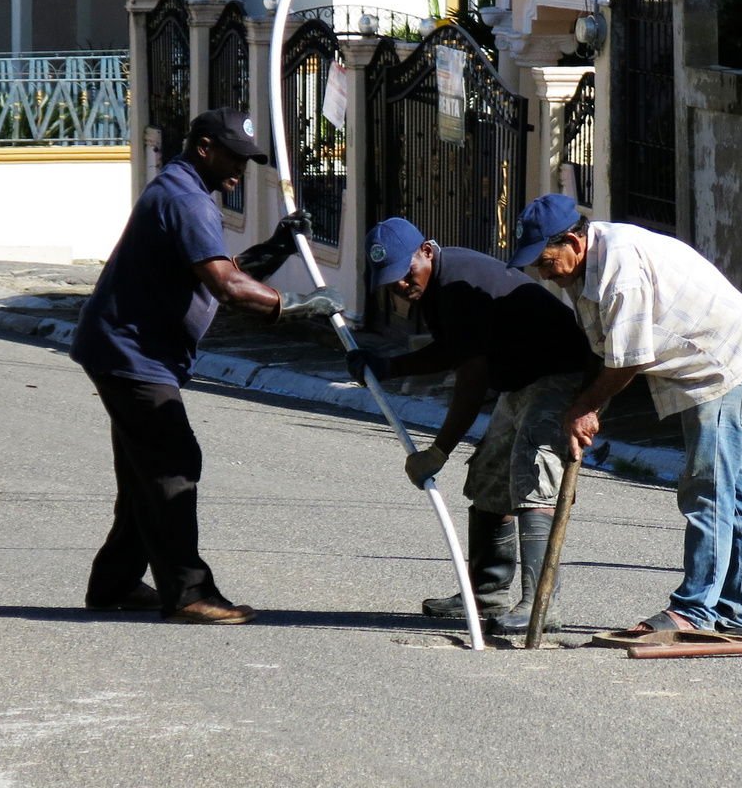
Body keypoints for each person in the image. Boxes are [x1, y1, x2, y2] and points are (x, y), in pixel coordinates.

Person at [72, 108, 343, 624]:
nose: (240, 168)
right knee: (173, 465)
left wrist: (278, 247)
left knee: (144, 472)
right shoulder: (185, 200)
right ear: (203, 148)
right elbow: (226, 286)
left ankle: (114, 584)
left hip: (128, 349)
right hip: (132, 354)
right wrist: (297, 306)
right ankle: (188, 593)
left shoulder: (181, 192)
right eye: (234, 156)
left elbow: (219, 272)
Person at [508, 194, 742, 636]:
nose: (543, 273)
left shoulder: (620, 270)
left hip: (725, 363)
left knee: (707, 487)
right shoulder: (583, 270)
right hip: (700, 367)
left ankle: (694, 610)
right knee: (732, 493)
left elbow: (628, 358)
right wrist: (584, 406)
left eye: (545, 261)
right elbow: (602, 348)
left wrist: (586, 407)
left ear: (574, 241)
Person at [347, 218, 596, 634]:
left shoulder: (458, 281)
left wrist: (439, 451)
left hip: (562, 374)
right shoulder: (436, 286)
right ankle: (485, 593)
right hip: (520, 380)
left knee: (532, 474)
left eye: (407, 273)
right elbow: (453, 349)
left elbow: (471, 377)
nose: (402, 285)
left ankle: (540, 602)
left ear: (426, 251)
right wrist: (388, 366)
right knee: (488, 480)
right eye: (391, 281)